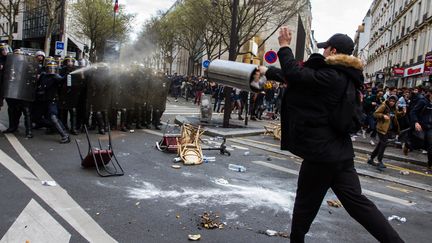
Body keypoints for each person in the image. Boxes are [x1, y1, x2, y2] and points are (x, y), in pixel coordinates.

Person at [259, 28, 403, 242]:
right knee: (359, 205)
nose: (323, 52)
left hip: (321, 155)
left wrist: (284, 46)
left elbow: (297, 74)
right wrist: (268, 71)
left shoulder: (332, 76)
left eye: (325, 48)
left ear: (333, 50)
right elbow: (303, 78)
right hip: (341, 154)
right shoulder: (345, 76)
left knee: (304, 208)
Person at [367, 95, 405, 171]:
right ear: (388, 100)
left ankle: (371, 159)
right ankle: (379, 161)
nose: (391, 102)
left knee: (380, 144)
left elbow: (396, 114)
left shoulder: (394, 107)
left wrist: (403, 112)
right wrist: (383, 115)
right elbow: (375, 114)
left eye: (393, 101)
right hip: (381, 129)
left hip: (388, 129)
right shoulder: (384, 106)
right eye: (390, 101)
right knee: (383, 144)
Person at [36, 61, 70, 143]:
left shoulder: (56, 77)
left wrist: (68, 75)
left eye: (53, 68)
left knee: (53, 117)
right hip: (43, 100)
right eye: (50, 68)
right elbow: (38, 85)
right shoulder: (43, 76)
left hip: (52, 100)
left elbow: (63, 81)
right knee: (36, 117)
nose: (51, 70)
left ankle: (65, 135)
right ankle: (53, 128)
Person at [410, 87, 432, 171]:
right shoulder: (423, 102)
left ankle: (430, 164)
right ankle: (408, 145)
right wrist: (416, 122)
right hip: (421, 126)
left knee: (430, 146)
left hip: (430, 128)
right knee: (419, 143)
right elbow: (413, 112)